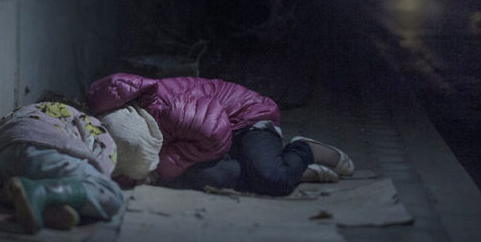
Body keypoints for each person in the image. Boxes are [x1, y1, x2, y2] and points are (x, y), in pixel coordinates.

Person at [85, 74, 354, 196]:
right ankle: (286, 168)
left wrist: (162, 165)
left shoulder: (170, 109)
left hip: (245, 120)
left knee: (274, 181)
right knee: (206, 178)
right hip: (202, 142)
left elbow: (217, 134)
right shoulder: (115, 124)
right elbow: (128, 165)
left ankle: (303, 150)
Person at [0, 101, 124, 233]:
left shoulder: (19, 112)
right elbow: (104, 155)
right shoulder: (85, 119)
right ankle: (43, 192)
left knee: (23, 188)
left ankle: (43, 205)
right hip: (42, 152)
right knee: (111, 194)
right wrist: (99, 180)